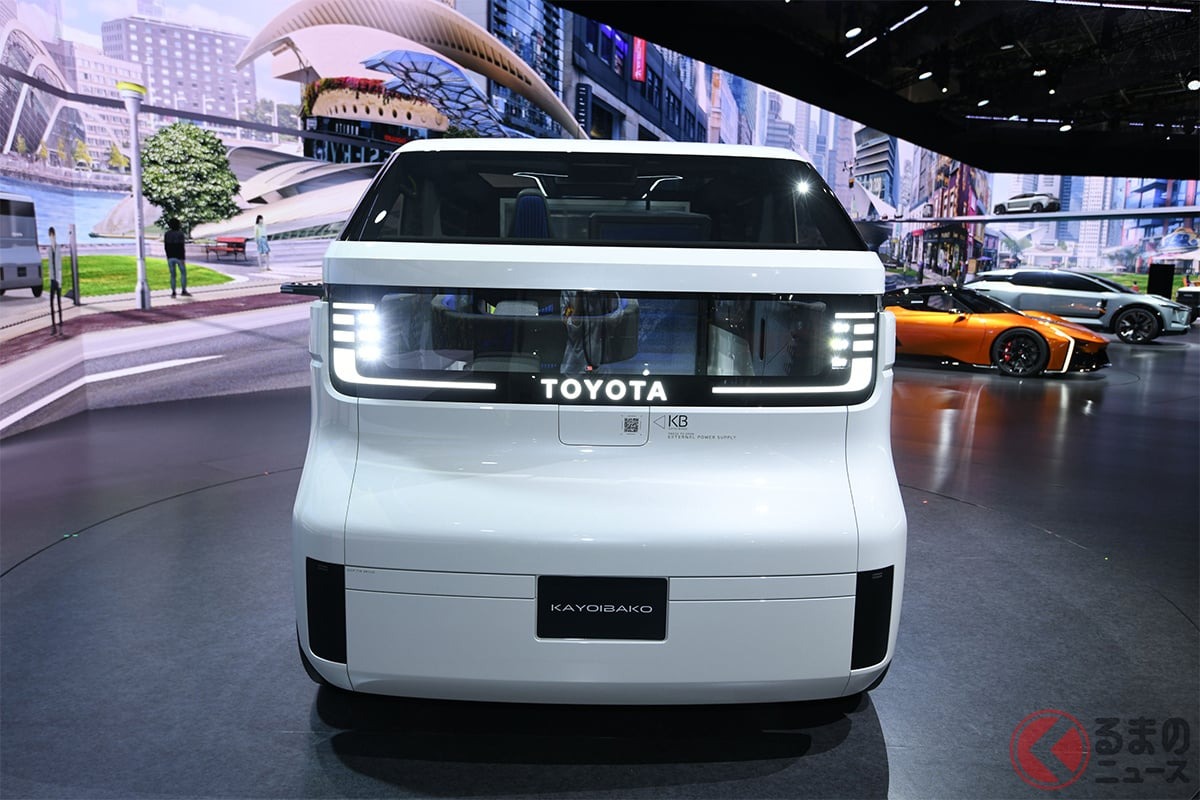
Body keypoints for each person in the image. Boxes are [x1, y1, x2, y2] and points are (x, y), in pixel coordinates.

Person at [163, 218, 190, 298]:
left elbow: (166, 246)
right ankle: (183, 290)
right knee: (183, 273)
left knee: (172, 275)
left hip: (170, 256)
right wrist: (182, 257)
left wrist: (168, 256)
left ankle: (173, 292)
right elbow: (181, 246)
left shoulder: (167, 234)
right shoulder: (180, 234)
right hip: (179, 256)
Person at [46, 226, 63, 334]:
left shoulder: (58, 248)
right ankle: (53, 326)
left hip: (58, 279)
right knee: (51, 304)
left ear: (54, 235)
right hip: (52, 280)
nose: (51, 237)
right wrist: (50, 279)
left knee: (59, 303)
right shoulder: (48, 250)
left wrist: (59, 280)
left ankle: (60, 326)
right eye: (50, 235)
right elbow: (49, 266)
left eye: (52, 234)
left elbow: (59, 265)